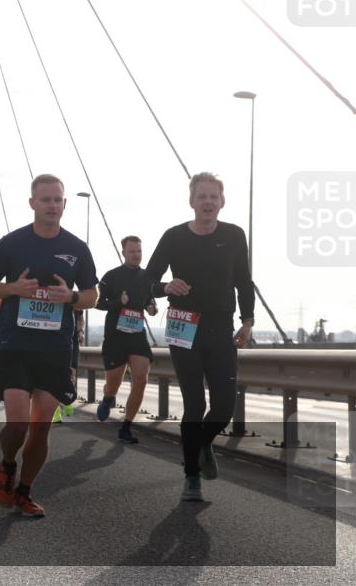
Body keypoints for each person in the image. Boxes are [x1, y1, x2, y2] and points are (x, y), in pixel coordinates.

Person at [0, 174, 98, 517]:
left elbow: (93, 295)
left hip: (55, 350)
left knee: (41, 426)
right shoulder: (12, 243)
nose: (51, 205)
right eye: (45, 199)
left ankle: (25, 492)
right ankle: (7, 465)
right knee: (17, 424)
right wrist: (14, 289)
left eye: (57, 200)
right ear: (32, 203)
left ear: (64, 204)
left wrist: (72, 297)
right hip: (16, 345)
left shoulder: (77, 249)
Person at [144, 172, 253, 502]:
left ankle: (202, 442)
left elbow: (244, 282)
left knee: (222, 405)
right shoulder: (174, 237)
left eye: (214, 196)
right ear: (192, 201)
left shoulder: (234, 235)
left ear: (222, 201)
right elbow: (147, 280)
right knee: (194, 404)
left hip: (221, 327)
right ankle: (192, 476)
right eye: (202, 196)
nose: (208, 201)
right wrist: (164, 287)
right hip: (183, 326)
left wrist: (247, 321)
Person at [94, 236, 158, 442]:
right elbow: (96, 302)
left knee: (141, 378)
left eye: (139, 251)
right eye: (132, 252)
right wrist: (117, 302)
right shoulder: (111, 276)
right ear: (123, 253)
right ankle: (108, 396)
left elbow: (152, 303)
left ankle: (127, 427)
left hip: (137, 336)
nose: (136, 255)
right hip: (115, 336)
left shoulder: (147, 277)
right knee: (114, 383)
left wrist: (152, 308)